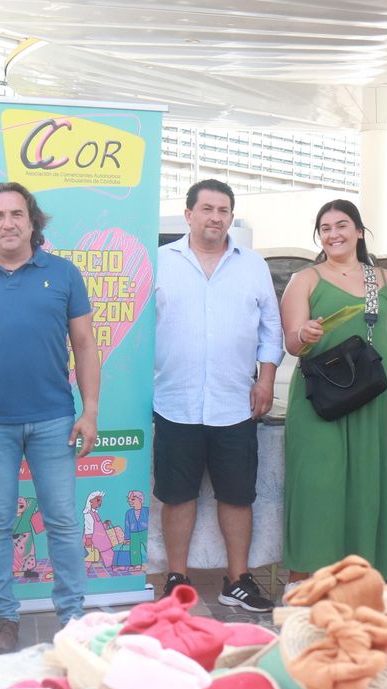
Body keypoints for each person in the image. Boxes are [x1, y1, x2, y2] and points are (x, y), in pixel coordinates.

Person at [0, 181, 100, 654]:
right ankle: (4, 616)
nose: (8, 223)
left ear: (32, 222)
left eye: (16, 214)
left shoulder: (65, 274)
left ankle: (72, 616)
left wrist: (90, 411)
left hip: (54, 418)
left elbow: (86, 345)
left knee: (64, 521)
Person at [152, 179, 281, 612]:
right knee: (176, 495)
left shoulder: (253, 265)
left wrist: (265, 380)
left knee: (237, 495)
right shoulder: (160, 262)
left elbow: (271, 328)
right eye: (206, 209)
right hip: (174, 401)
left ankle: (237, 579)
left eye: (223, 210)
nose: (215, 217)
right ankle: (176, 577)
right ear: (188, 214)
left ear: (231, 216)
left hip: (235, 403)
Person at [281, 199, 387, 586]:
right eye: (325, 228)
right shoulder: (304, 279)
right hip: (318, 403)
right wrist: (304, 335)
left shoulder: (385, 281)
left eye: (342, 225)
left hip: (373, 401)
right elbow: (292, 342)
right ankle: (300, 580)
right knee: (315, 487)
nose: (334, 234)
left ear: (359, 231)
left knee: (368, 489)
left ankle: (364, 581)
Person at [124, 490, 148, 568]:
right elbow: (127, 525)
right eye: (129, 499)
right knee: (134, 549)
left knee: (148, 547)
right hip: (133, 533)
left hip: (145, 531)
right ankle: (136, 564)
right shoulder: (129, 513)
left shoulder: (146, 510)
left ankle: (150, 563)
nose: (129, 501)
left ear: (140, 500)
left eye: (133, 499)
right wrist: (127, 538)